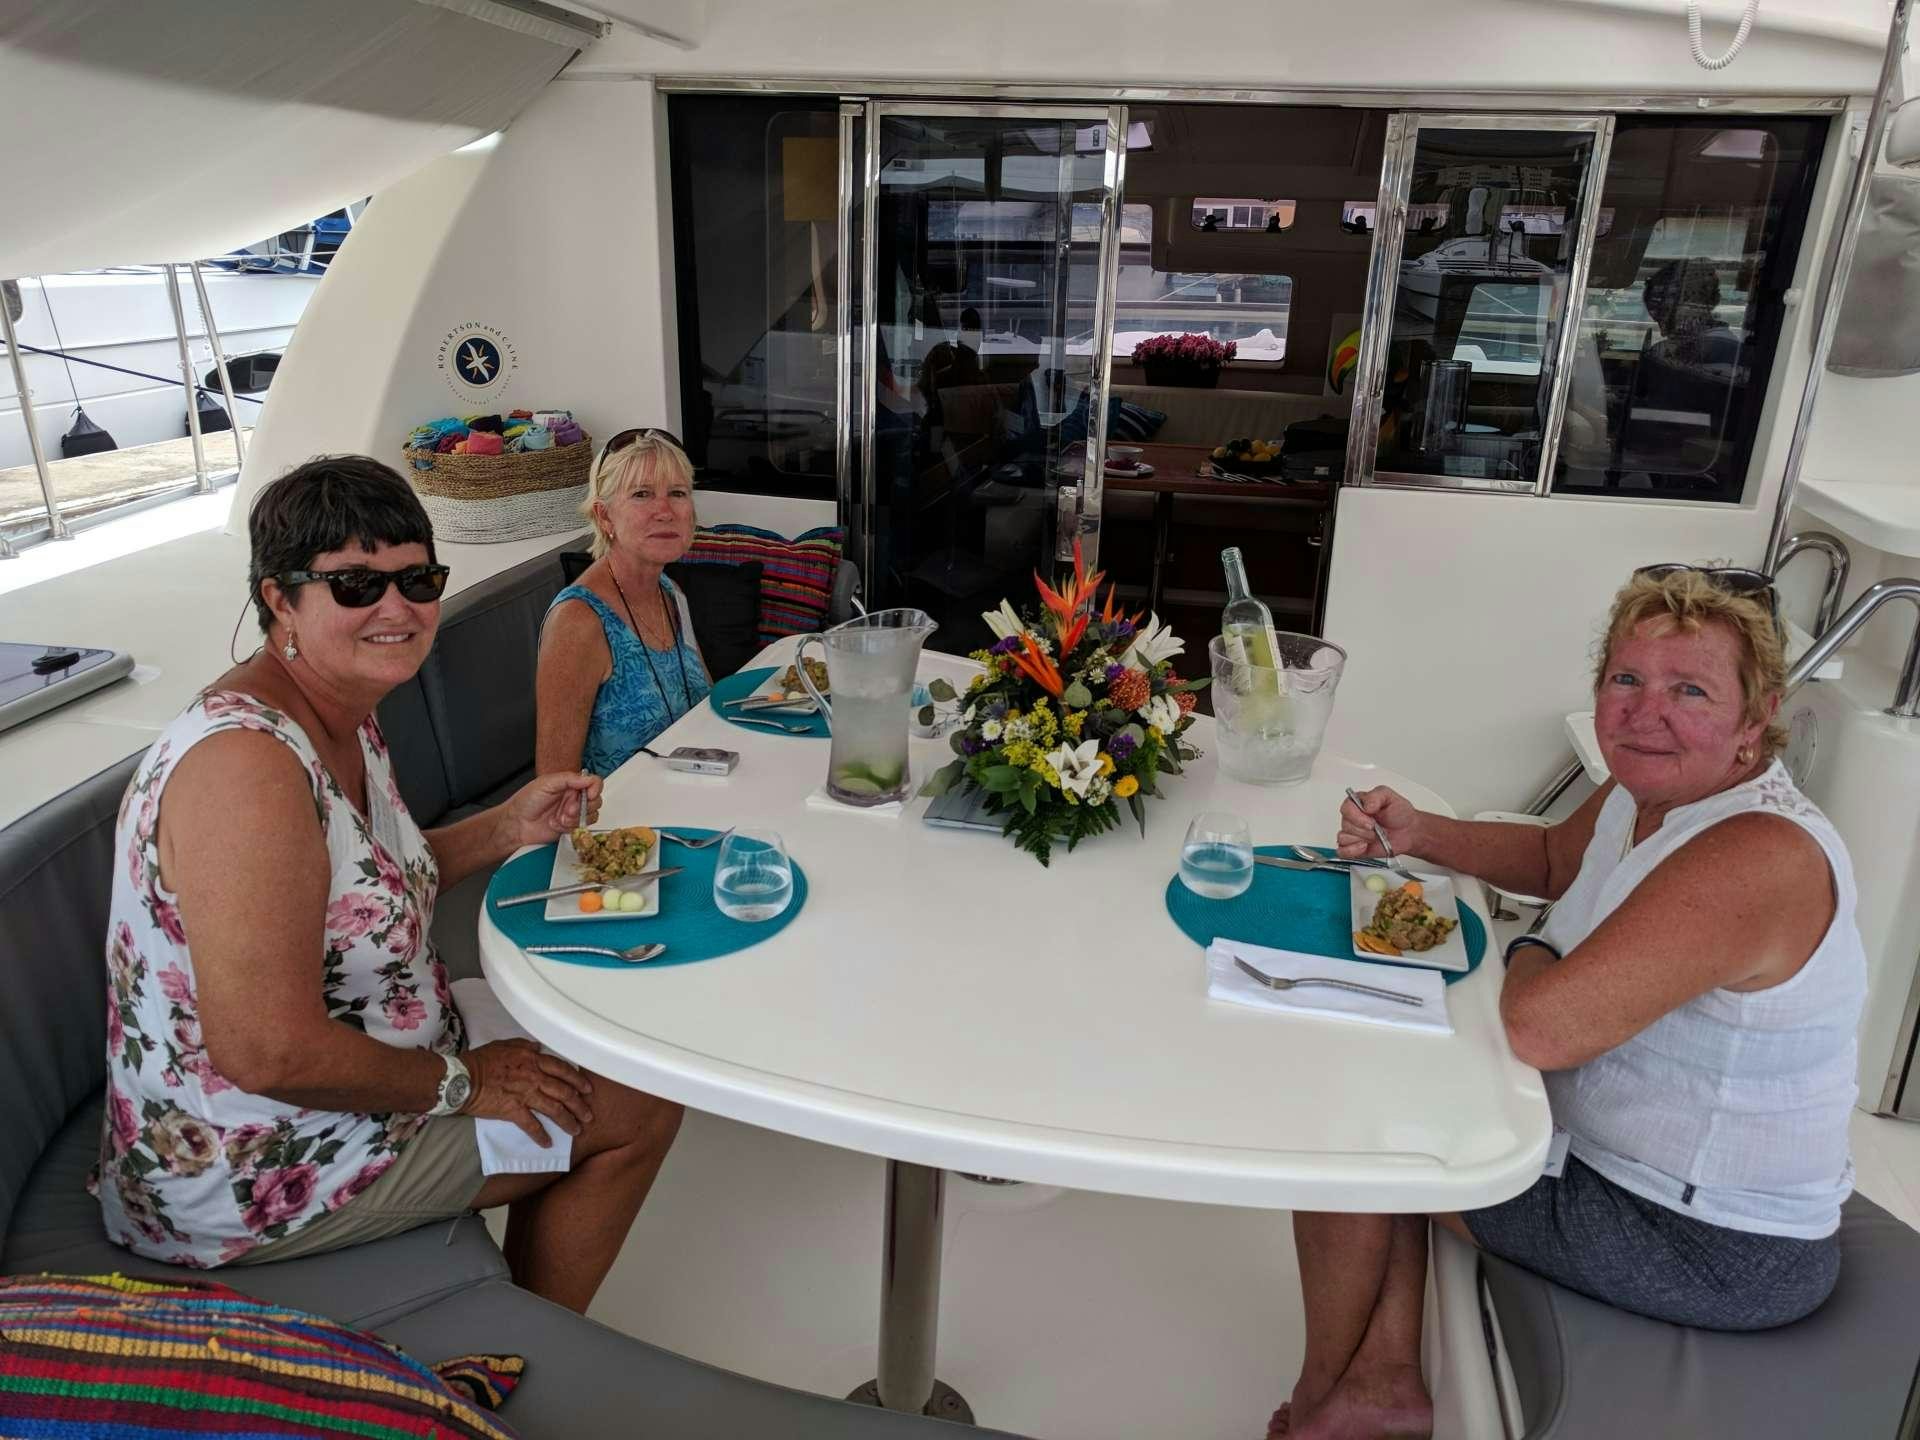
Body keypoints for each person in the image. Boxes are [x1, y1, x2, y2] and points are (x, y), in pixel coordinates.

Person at [1272, 565, 1866, 1440]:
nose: (1645, 709)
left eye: (1689, 689)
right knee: (1386, 1072)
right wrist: (1420, 834)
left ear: (1757, 715)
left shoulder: (1757, 853)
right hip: (1624, 1167)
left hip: (1706, 1240)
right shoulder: (1650, 787)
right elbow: (1557, 861)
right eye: (1626, 679)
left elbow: (1540, 1027)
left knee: (1343, 1129)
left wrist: (1537, 948)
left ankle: (1333, 1398)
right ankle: (1381, 1388)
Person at [97, 456, 683, 1313]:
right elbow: (266, 1049)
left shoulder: (339, 712)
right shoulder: (247, 770)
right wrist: (468, 1080)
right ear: (279, 599)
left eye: (418, 577)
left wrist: (509, 827)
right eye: (354, 586)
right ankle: (539, 1347)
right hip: (253, 1162)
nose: (396, 607)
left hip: (368, 1071)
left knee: (619, 1021)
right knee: (638, 1107)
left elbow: (358, 893)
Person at [536, 429, 712, 776]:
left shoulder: (671, 593)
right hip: (619, 824)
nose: (664, 511)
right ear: (604, 517)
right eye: (642, 494)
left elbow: (706, 705)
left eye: (677, 493)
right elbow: (554, 786)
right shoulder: (578, 621)